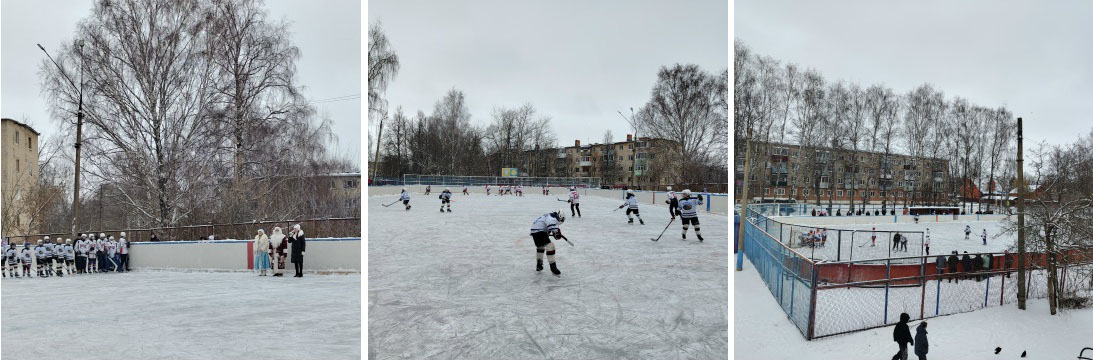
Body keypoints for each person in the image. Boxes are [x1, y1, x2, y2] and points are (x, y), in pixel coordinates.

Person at [530, 211, 565, 276]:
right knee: (550, 246)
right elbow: (552, 228)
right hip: (539, 230)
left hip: (534, 230)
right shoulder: (552, 218)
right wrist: (556, 233)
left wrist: (554, 232)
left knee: (540, 247)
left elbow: (547, 228)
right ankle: (553, 268)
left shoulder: (549, 216)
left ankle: (539, 265)